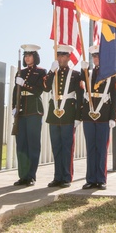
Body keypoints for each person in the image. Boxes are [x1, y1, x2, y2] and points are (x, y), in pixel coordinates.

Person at [42, 44, 83, 188]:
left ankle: (66, 177)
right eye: (58, 55)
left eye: (63, 55)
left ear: (68, 57)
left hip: (68, 113)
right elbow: (46, 88)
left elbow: (80, 96)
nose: (60, 58)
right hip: (54, 113)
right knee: (56, 147)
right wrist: (51, 71)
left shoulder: (76, 74)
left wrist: (78, 117)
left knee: (67, 147)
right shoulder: (53, 72)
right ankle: (57, 177)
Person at [80, 46, 116, 190]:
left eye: (98, 56)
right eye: (94, 56)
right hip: (89, 116)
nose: (96, 59)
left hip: (103, 115)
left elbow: (114, 97)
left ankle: (101, 179)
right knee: (90, 148)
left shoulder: (111, 74)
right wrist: (82, 69)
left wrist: (113, 117)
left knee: (102, 148)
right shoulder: (88, 73)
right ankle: (90, 179)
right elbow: (79, 80)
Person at [11, 44, 45, 186]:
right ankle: (23, 175)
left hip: (33, 110)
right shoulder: (21, 72)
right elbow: (15, 91)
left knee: (33, 144)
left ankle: (31, 175)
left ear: (35, 57)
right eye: (25, 56)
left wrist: (24, 83)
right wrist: (14, 106)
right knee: (21, 145)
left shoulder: (41, 72)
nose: (27, 58)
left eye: (29, 55)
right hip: (21, 111)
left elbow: (38, 91)